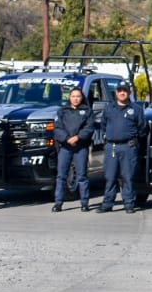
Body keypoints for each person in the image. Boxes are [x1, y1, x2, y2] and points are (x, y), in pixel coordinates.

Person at [97, 83, 146, 214]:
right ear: (116, 92)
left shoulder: (136, 109)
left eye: (125, 91)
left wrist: (134, 142)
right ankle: (107, 204)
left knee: (128, 177)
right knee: (110, 176)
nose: (122, 93)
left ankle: (129, 204)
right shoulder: (109, 108)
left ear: (129, 92)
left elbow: (142, 129)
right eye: (120, 91)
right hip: (111, 146)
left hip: (128, 147)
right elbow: (103, 125)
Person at [52, 88, 95, 212]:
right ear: (69, 98)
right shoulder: (62, 111)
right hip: (65, 147)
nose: (75, 99)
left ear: (82, 98)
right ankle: (58, 203)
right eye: (73, 96)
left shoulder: (87, 111)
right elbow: (57, 128)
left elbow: (89, 127)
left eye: (78, 96)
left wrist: (78, 137)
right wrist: (66, 138)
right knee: (61, 176)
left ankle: (84, 203)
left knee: (82, 176)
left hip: (81, 147)